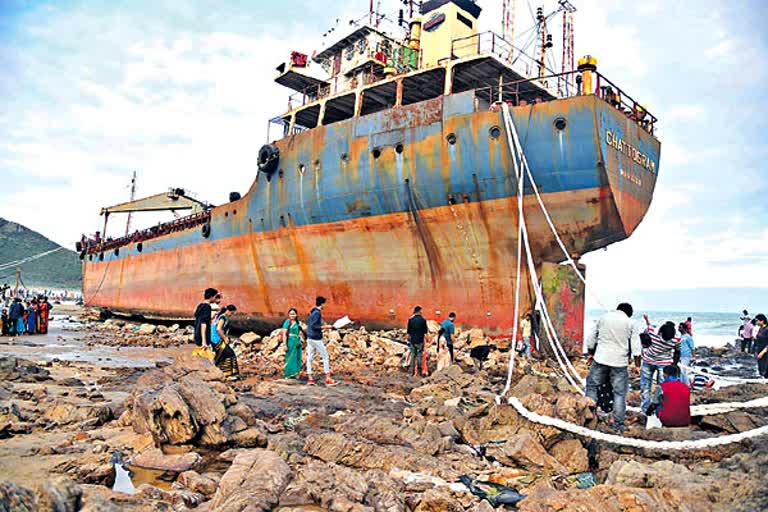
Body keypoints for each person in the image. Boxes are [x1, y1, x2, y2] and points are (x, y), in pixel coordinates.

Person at [585, 303, 642, 434]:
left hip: (601, 359)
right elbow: (636, 346)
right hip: (619, 362)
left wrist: (591, 353)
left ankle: (589, 418)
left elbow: (591, 338)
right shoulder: (631, 323)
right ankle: (618, 426)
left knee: (592, 386)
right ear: (629, 313)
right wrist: (637, 365)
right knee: (619, 394)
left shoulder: (604, 318)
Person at [640, 316, 680, 413]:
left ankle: (651, 410)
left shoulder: (652, 331)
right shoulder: (676, 339)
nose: (665, 341)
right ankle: (656, 410)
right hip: (660, 362)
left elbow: (644, 338)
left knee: (649, 387)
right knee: (661, 387)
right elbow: (677, 352)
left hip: (651, 360)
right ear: (660, 332)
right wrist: (674, 364)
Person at [306, 296, 337, 386]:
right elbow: (315, 326)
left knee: (310, 357)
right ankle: (328, 378)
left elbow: (314, 323)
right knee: (325, 357)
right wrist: (326, 327)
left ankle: (310, 378)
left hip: (310, 338)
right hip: (316, 338)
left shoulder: (313, 311)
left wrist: (323, 323)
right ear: (322, 304)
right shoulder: (317, 313)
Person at [210, 304, 240, 380]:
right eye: (232, 313)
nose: (231, 315)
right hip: (216, 339)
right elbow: (218, 329)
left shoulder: (223, 316)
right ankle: (229, 374)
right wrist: (225, 338)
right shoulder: (223, 317)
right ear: (228, 311)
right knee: (230, 354)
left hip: (215, 339)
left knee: (222, 354)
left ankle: (220, 371)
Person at [280, 308, 304, 379]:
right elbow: (284, 334)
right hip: (290, 341)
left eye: (293, 314)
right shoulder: (287, 322)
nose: (292, 315)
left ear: (296, 315)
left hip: (297, 342)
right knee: (289, 357)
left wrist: (302, 341)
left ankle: (296, 373)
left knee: (297, 357)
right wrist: (284, 344)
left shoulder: (298, 323)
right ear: (288, 315)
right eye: (290, 314)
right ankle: (288, 374)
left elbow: (300, 333)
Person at [407, 306, 429, 377]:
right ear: (419, 311)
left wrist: (409, 338)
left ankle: (412, 372)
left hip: (412, 340)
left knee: (413, 355)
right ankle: (419, 371)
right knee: (419, 355)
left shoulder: (411, 320)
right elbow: (425, 332)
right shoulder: (423, 320)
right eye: (421, 311)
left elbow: (408, 332)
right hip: (420, 340)